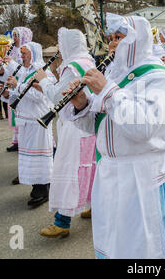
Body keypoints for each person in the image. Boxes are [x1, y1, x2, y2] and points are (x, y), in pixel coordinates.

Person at [65, 14, 165, 259]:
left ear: (138, 39)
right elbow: (99, 127)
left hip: (141, 176)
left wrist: (107, 90)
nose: (113, 43)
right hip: (111, 174)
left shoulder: (157, 77)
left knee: (145, 247)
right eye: (111, 38)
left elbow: (143, 127)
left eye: (120, 37)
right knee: (117, 244)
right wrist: (82, 104)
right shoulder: (115, 74)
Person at [34, 28, 97, 238]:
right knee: (86, 168)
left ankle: (62, 221)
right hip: (87, 124)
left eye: (61, 44)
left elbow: (57, 97)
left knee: (68, 172)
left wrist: (44, 79)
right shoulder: (88, 61)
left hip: (74, 126)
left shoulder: (72, 66)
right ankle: (89, 205)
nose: (59, 50)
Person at [4, 42, 56, 207]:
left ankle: (43, 189)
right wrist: (8, 93)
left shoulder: (43, 70)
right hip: (26, 119)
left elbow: (39, 96)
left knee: (39, 157)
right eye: (21, 53)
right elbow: (21, 94)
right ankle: (39, 186)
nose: (22, 56)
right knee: (30, 157)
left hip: (38, 119)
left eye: (25, 53)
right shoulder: (23, 70)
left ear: (33, 54)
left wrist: (17, 86)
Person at [4, 27, 33, 153]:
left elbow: (23, 70)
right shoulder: (12, 50)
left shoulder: (28, 51)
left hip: (22, 83)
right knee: (14, 112)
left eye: (16, 35)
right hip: (13, 83)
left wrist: (11, 63)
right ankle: (16, 140)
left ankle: (22, 140)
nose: (14, 38)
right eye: (14, 35)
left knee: (21, 112)